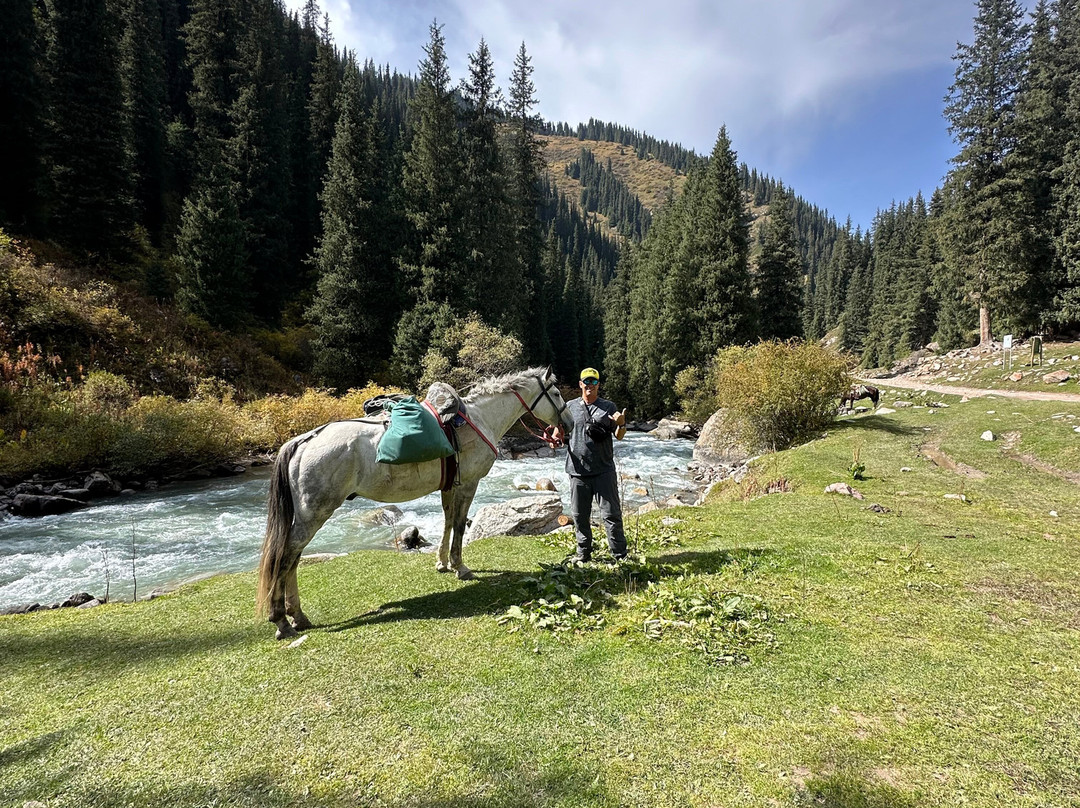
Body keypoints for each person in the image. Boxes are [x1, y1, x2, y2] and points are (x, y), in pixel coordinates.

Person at [551, 367, 629, 562]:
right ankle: (583, 554)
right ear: (580, 384)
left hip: (603, 470)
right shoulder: (569, 407)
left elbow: (619, 435)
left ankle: (620, 555)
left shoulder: (609, 407)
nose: (589, 385)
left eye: (593, 382)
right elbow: (558, 433)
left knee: (611, 515)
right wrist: (555, 436)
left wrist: (622, 423)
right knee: (579, 516)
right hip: (577, 471)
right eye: (586, 382)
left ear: (598, 385)